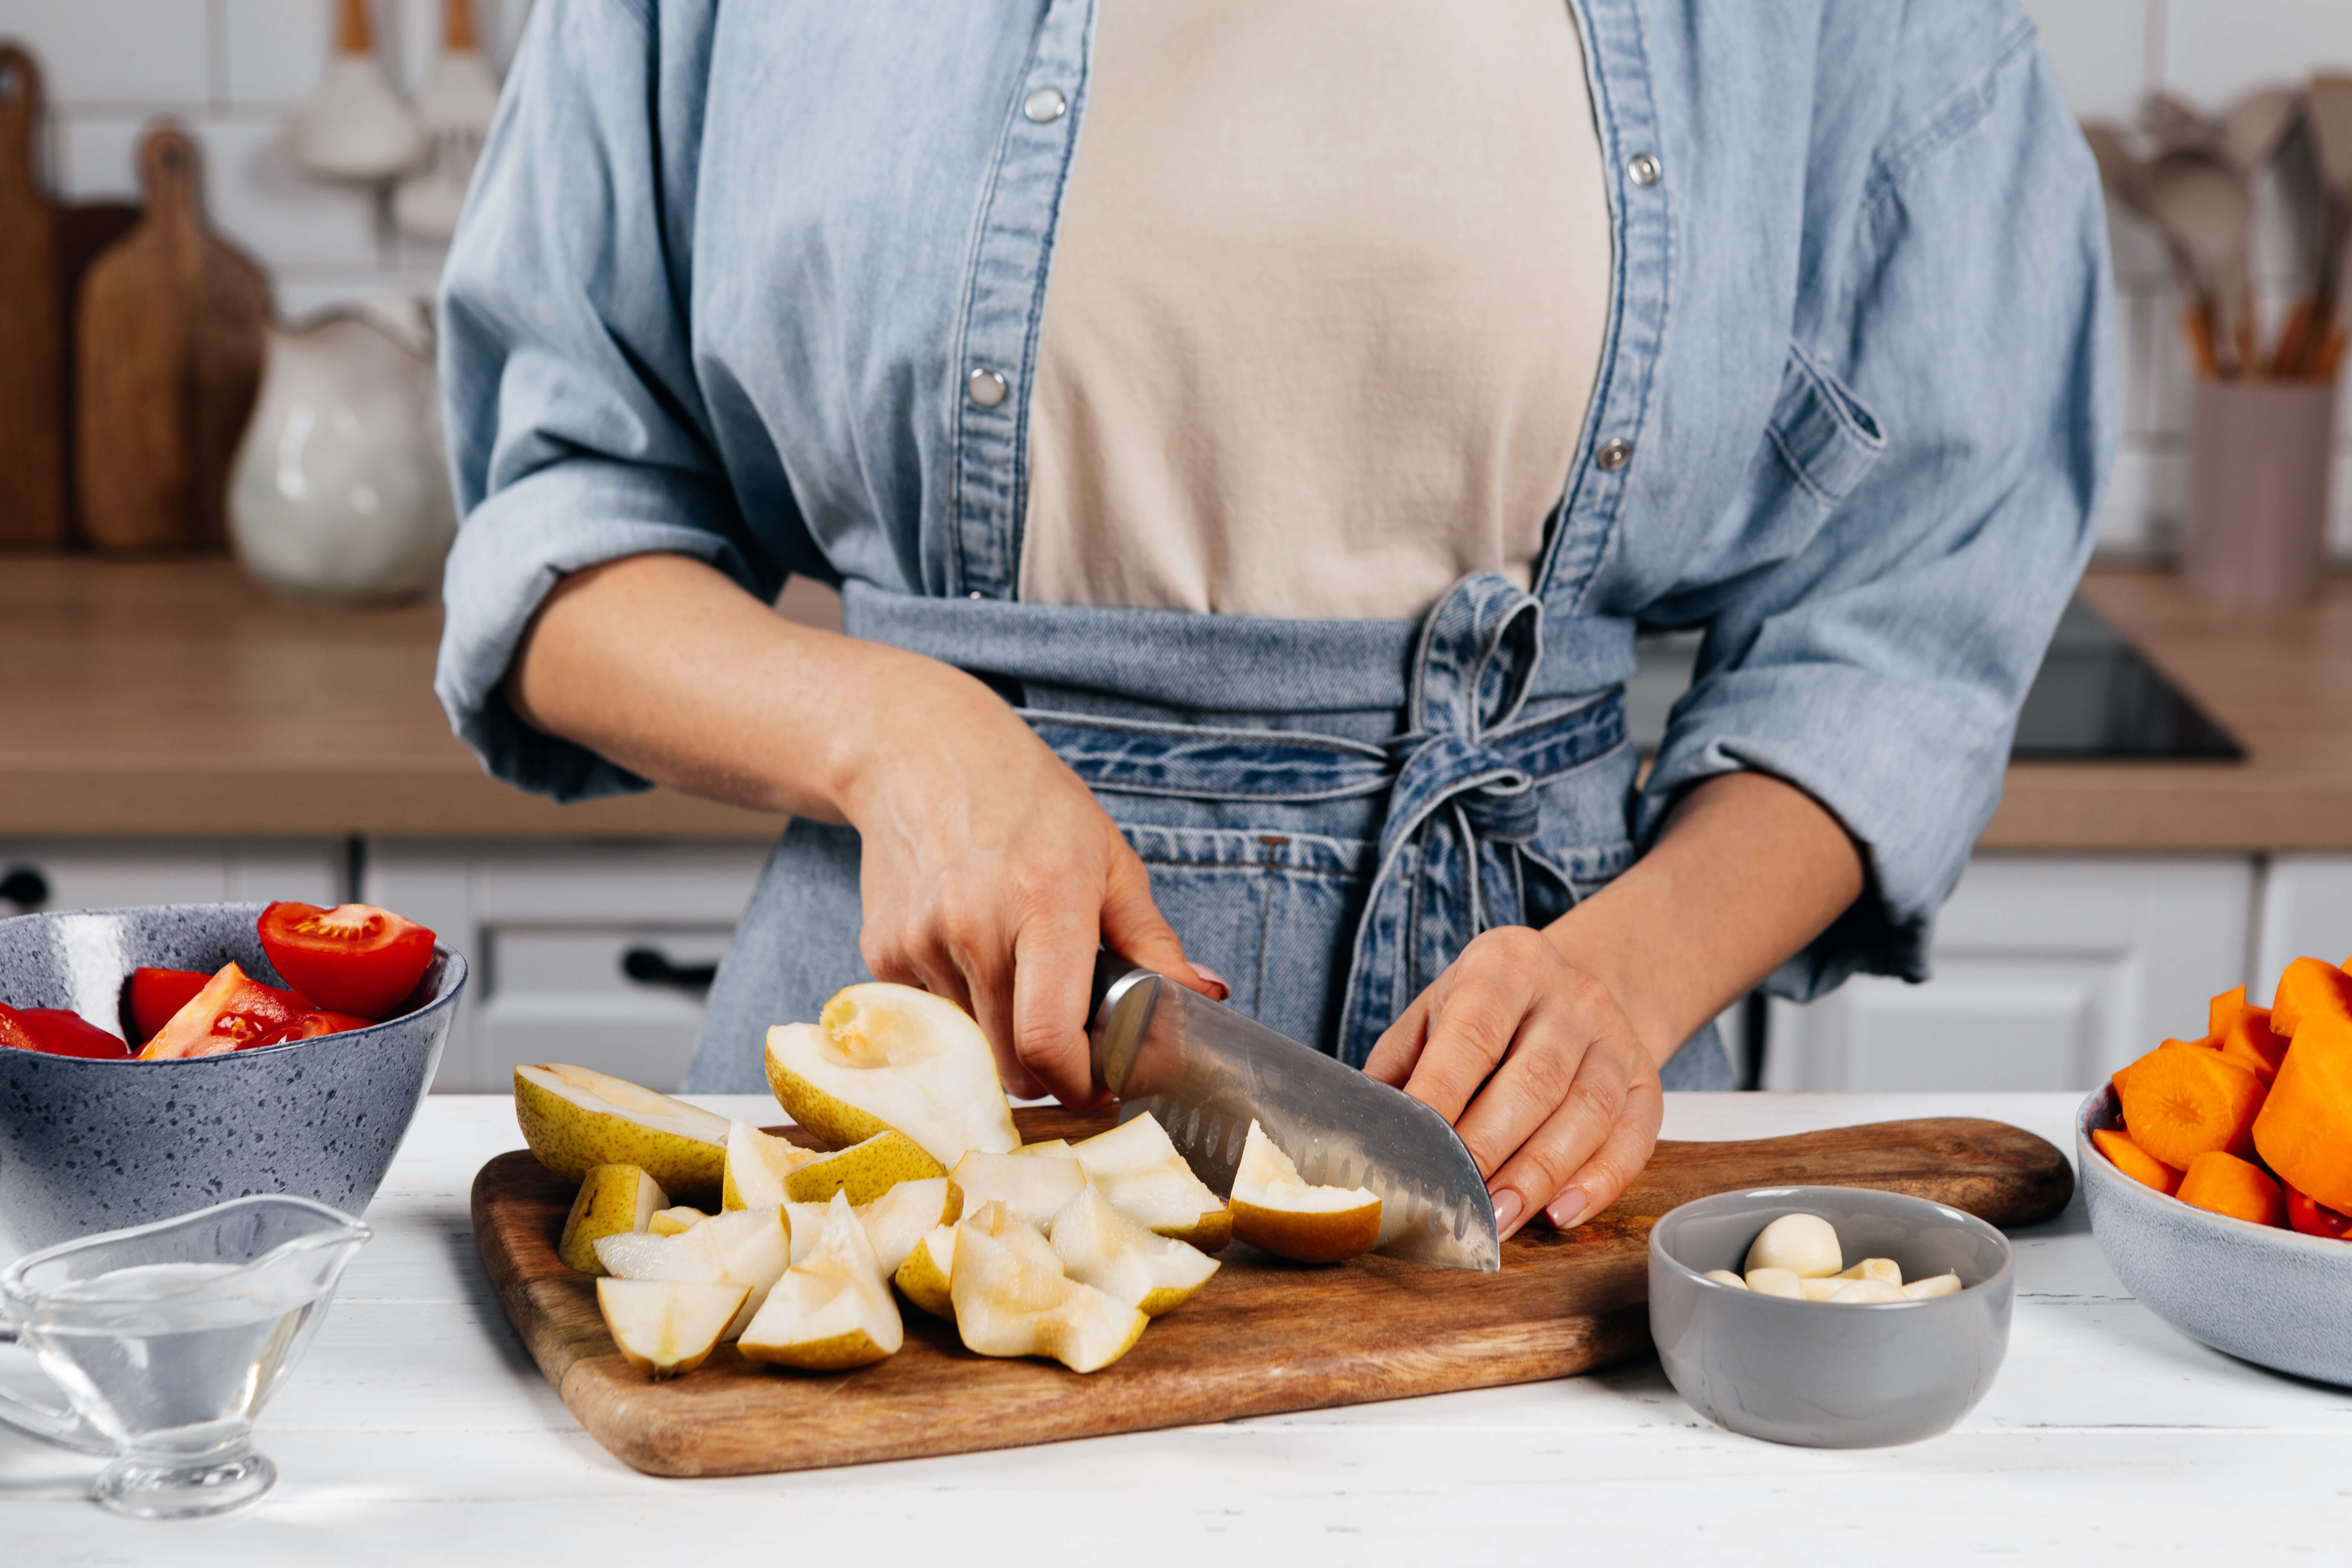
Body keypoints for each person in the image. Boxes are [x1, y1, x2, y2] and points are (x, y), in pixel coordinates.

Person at [434, 1, 2112, 1242]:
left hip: (1538, 1145)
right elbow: (559, 528)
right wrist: (902, 736)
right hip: (920, 1084)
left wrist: (1631, 971)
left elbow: (1908, 613)